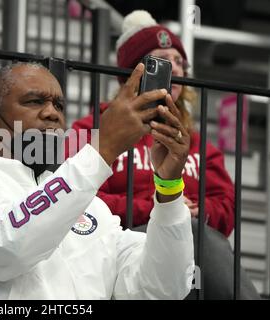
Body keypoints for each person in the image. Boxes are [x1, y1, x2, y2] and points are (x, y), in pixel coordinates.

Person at [0, 61, 195, 300]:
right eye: (34, 101)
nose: (52, 113)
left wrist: (168, 188)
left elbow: (163, 288)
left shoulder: (92, 208)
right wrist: (103, 149)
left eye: (59, 104)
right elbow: (8, 246)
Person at [71, 10, 260, 299]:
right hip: (120, 246)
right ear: (131, 73)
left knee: (196, 237)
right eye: (160, 60)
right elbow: (80, 200)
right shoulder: (93, 128)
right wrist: (160, 207)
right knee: (190, 237)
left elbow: (226, 206)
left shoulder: (198, 143)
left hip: (193, 249)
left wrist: (199, 212)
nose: (174, 68)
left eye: (179, 62)